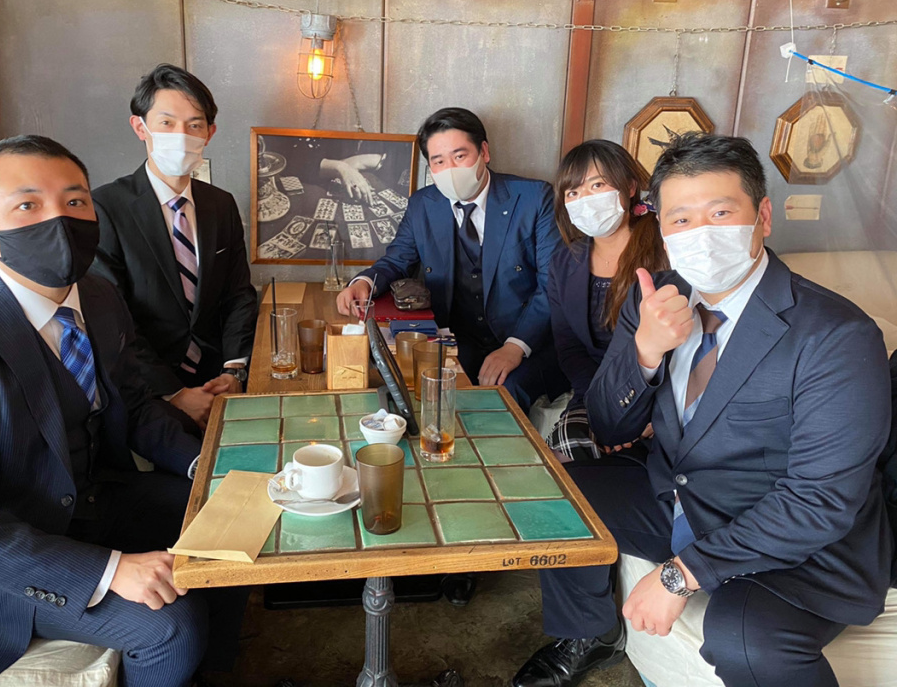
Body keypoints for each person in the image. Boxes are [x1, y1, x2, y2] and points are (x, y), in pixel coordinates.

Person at [512, 132, 893, 687]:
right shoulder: (656, 298)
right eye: (682, 219)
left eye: (720, 213)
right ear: (661, 230)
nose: (702, 234)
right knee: (552, 495)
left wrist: (680, 574)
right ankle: (590, 634)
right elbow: (609, 423)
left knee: (745, 638)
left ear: (762, 216)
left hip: (790, 539)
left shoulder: (836, 335)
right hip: (679, 496)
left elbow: (820, 501)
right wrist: (645, 352)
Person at [0, 136, 224, 687]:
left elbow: (136, 406)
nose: (58, 220)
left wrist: (204, 468)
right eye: (28, 205)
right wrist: (112, 571)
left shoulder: (99, 297)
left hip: (93, 500)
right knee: (170, 623)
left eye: (74, 201)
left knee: (225, 522)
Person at [336, 107, 566, 412]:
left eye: (460, 156)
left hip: (527, 341)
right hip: (458, 337)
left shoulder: (534, 198)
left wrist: (515, 346)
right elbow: (397, 260)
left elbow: (553, 284)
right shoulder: (423, 205)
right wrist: (364, 282)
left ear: (484, 152)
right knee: (426, 391)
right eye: (439, 161)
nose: (451, 169)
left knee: (504, 396)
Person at [92, 64, 259, 430]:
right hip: (145, 392)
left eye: (194, 125)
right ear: (141, 127)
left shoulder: (220, 204)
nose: (181, 136)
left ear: (209, 133)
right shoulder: (105, 207)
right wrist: (173, 393)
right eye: (167, 123)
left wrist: (235, 369)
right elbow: (110, 317)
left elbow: (238, 294)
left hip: (219, 379)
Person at [546, 140, 667, 462]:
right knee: (559, 458)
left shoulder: (665, 250)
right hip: (595, 392)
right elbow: (569, 346)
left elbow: (684, 346)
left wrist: (642, 412)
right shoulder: (564, 260)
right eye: (573, 192)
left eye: (597, 185)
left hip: (658, 398)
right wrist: (602, 407)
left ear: (630, 187)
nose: (585, 199)